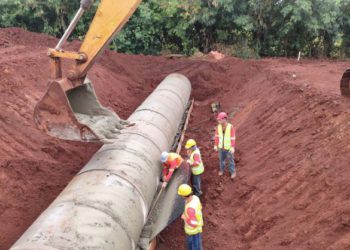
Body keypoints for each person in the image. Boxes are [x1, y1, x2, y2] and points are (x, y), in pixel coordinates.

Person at [178, 184, 204, 250]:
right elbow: (200, 207)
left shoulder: (190, 209)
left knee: (193, 246)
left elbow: (193, 223)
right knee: (197, 243)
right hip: (198, 227)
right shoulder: (195, 198)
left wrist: (185, 218)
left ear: (184, 196)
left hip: (193, 231)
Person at [214, 112, 236, 179]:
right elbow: (217, 136)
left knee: (230, 160)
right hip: (221, 147)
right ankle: (222, 170)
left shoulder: (230, 127)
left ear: (224, 119)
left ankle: (233, 172)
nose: (219, 121)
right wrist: (215, 145)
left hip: (228, 148)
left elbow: (233, 138)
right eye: (218, 120)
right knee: (221, 160)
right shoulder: (218, 127)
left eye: (220, 120)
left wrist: (232, 147)